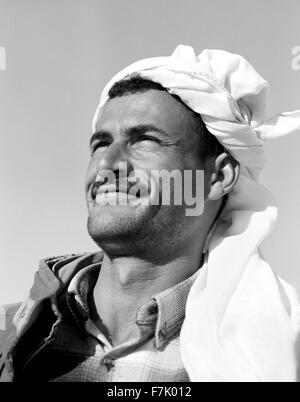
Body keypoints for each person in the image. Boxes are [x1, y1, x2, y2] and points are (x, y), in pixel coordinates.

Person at [1, 45, 300, 382]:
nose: (106, 164)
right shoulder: (10, 335)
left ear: (218, 177)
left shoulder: (268, 355)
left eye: (145, 140)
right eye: (100, 143)